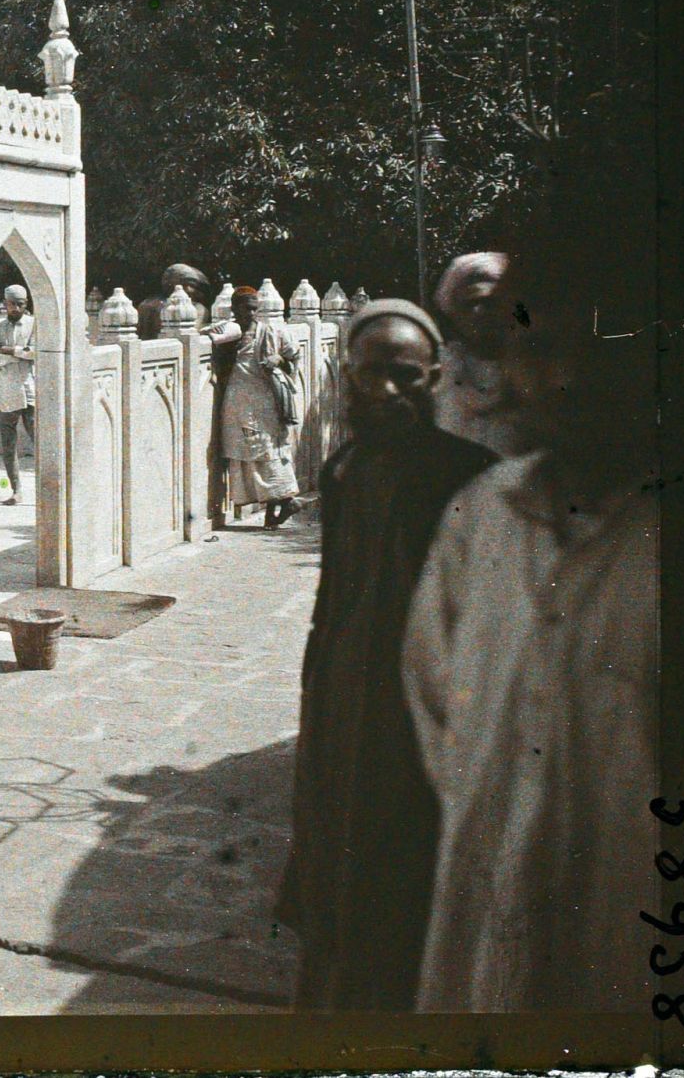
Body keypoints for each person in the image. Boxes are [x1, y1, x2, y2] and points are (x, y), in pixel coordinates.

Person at [402, 232, 661, 1012]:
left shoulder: (676, 534)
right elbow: (434, 700)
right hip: (493, 918)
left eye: (598, 348)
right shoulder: (480, 520)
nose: (568, 377)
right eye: (540, 348)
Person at [278, 299, 496, 1010]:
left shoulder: (471, 482)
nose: (391, 392)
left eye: (408, 377)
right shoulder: (344, 471)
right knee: (336, 884)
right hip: (345, 709)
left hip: (423, 721)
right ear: (348, 377)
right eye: (375, 376)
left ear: (434, 379)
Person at [208, 285, 302, 527]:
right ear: (234, 309)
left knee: (267, 450)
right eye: (245, 308)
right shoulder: (229, 332)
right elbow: (205, 337)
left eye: (253, 309)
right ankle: (274, 512)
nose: (250, 313)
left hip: (264, 403)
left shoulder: (270, 331)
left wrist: (278, 359)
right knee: (247, 451)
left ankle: (286, 499)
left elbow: (294, 356)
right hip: (237, 403)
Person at [430, 251, 525, 457]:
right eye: (469, 305)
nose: (479, 312)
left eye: (489, 302)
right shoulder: (440, 375)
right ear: (454, 313)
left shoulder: (531, 368)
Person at [0, 284, 36, 506]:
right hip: (6, 390)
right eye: (12, 303)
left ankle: (47, 488)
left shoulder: (34, 324)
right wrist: (21, 353)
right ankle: (16, 490)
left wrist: (9, 350)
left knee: (40, 440)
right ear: (5, 303)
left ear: (26, 304)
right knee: (9, 444)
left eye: (21, 304)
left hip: (30, 389)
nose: (16, 308)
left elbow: (36, 352)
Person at [136, 263, 212, 340]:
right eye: (192, 285)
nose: (197, 293)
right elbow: (192, 334)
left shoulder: (146, 304)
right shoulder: (197, 308)